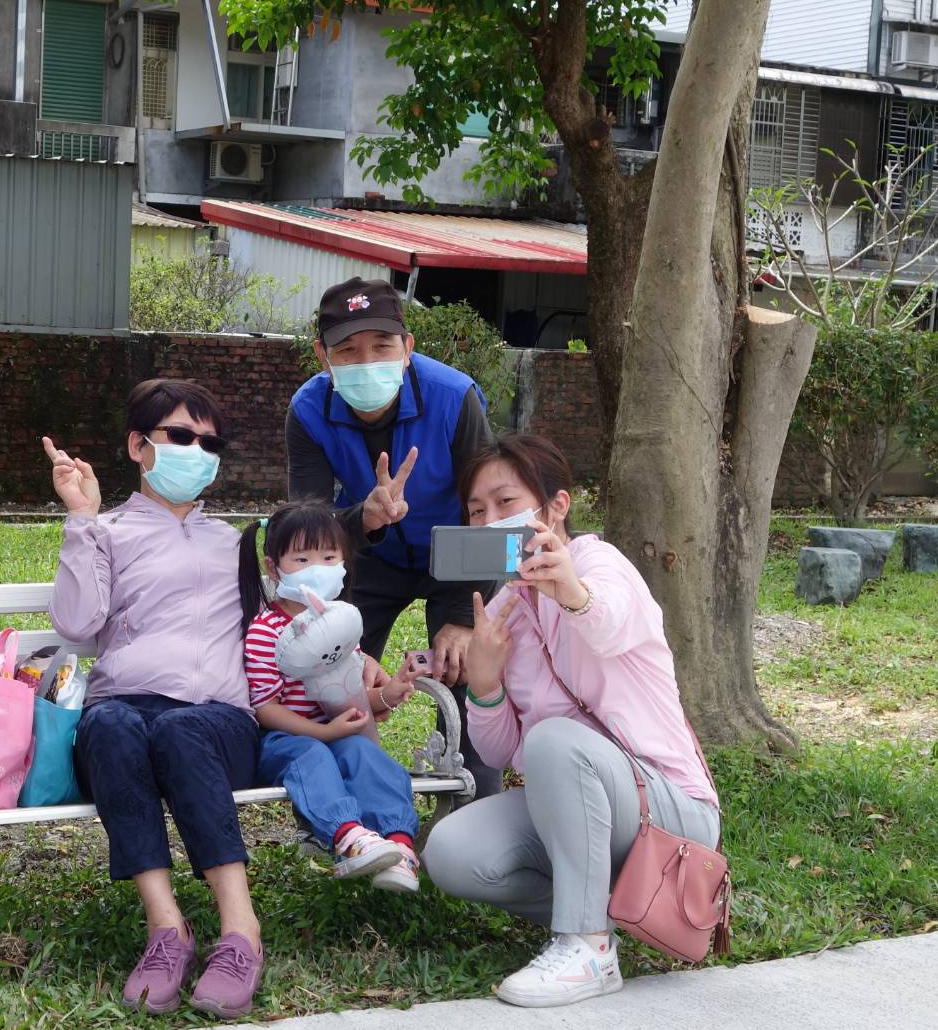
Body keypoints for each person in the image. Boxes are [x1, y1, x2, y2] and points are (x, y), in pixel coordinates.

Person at [420, 432, 722, 1009]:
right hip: (580, 810)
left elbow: (607, 623)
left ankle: (585, 946)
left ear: (556, 507)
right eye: (476, 511)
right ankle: (613, 913)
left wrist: (572, 593)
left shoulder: (599, 562)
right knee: (453, 852)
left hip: (670, 808)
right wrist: (484, 686)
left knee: (558, 740)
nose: (490, 520)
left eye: (506, 503)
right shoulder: (506, 605)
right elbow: (510, 751)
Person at [44, 379, 263, 1020]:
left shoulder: (238, 543)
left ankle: (240, 930)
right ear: (139, 447)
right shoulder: (108, 532)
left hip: (219, 722)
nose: (199, 450)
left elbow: (294, 615)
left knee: (182, 732)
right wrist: (81, 520)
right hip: (130, 711)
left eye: (210, 441)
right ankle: (167, 930)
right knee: (107, 724)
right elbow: (77, 625)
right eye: (182, 436)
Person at [286, 276, 501, 799]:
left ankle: (473, 802)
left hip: (458, 553)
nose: (366, 361)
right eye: (347, 350)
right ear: (323, 357)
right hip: (369, 554)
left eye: (382, 346)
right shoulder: (309, 411)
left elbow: (490, 515)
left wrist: (458, 617)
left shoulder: (455, 397)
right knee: (326, 660)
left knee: (471, 665)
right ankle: (347, 808)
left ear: (407, 349)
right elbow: (307, 532)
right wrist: (365, 517)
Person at [237, 501, 424, 893]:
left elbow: (352, 698)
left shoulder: (340, 621)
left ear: (344, 561)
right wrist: (322, 733)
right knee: (313, 755)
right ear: (274, 568)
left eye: (329, 557)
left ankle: (400, 845)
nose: (317, 569)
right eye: (302, 559)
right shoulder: (266, 630)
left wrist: (387, 694)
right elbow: (265, 709)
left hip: (335, 732)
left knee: (366, 755)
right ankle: (348, 837)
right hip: (284, 741)